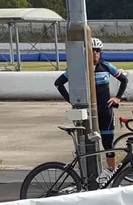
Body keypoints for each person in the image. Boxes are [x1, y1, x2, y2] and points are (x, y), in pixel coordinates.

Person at [54, 37, 128, 181]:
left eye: (98, 51)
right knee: (87, 144)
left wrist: (117, 98)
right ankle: (88, 176)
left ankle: (111, 173)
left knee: (107, 143)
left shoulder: (106, 67)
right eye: (92, 50)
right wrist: (72, 101)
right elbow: (58, 83)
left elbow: (124, 80)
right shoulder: (78, 69)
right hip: (88, 112)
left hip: (105, 111)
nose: (95, 53)